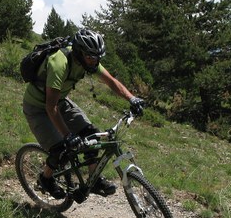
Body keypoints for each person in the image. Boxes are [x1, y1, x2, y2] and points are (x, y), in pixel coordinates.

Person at [22, 28, 145, 199]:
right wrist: (67, 135)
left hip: (60, 101)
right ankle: (45, 178)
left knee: (91, 134)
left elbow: (110, 81)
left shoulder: (89, 60)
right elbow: (51, 107)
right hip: (37, 107)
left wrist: (132, 99)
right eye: (91, 57)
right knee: (61, 149)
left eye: (97, 58)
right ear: (79, 52)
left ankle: (94, 180)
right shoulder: (59, 63)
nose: (94, 62)